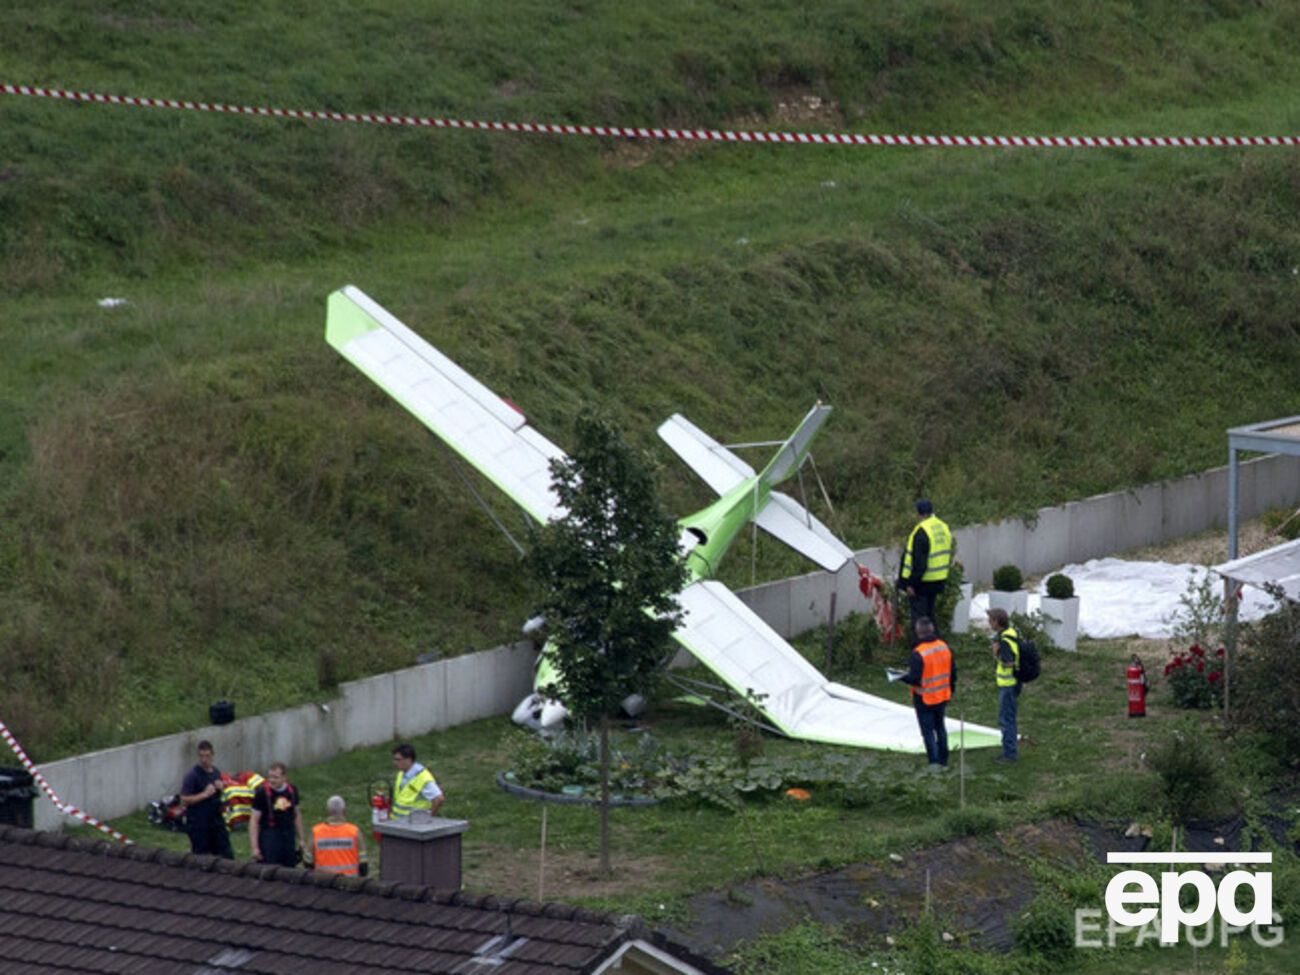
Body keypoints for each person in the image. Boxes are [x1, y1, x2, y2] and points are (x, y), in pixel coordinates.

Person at [899, 617, 955, 769]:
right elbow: (952, 672)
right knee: (940, 728)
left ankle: (934, 762)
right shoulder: (944, 646)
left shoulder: (919, 653)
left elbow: (915, 679)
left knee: (928, 732)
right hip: (942, 695)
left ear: (918, 632)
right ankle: (944, 760)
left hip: (925, 698)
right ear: (932, 630)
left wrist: (902, 676)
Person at [898, 499, 953, 635]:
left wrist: (911, 584)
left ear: (919, 514)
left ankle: (922, 651)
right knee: (930, 616)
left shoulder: (922, 531)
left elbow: (920, 564)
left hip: (922, 583)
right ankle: (937, 649)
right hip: (938, 580)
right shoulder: (943, 526)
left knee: (920, 621)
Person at [179, 740, 233, 858]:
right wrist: (204, 794)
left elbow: (220, 795)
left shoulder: (216, 772)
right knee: (202, 856)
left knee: (225, 852)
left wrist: (221, 787)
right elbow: (184, 799)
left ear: (212, 755)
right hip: (199, 823)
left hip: (215, 820)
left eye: (207, 756)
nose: (204, 760)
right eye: (201, 756)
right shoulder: (192, 776)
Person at [249, 761, 305, 867]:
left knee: (289, 869)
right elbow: (254, 821)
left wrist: (301, 839)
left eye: (275, 777)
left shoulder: (292, 791)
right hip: (270, 836)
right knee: (270, 870)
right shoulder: (262, 793)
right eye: (270, 777)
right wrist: (255, 847)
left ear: (284, 778)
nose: (271, 780)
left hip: (288, 834)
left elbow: (296, 816)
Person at [987, 607, 1021, 763]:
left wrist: (996, 654)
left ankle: (1009, 754)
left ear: (996, 622)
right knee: (1009, 718)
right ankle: (1010, 750)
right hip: (1014, 683)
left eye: (990, 620)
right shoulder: (1011, 633)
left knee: (1006, 720)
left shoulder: (1005, 641)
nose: (989, 623)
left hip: (1008, 685)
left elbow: (1008, 663)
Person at [307, 795, 368, 877]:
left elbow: (307, 862)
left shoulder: (316, 832)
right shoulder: (355, 832)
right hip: (350, 882)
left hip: (323, 882)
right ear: (344, 811)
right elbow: (363, 865)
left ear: (328, 811)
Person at [390, 743, 444, 818]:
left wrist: (429, 817)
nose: (395, 763)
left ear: (409, 759)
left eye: (398, 759)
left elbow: (439, 798)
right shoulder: (401, 773)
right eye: (394, 759)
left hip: (415, 824)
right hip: (400, 823)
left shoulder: (422, 777)